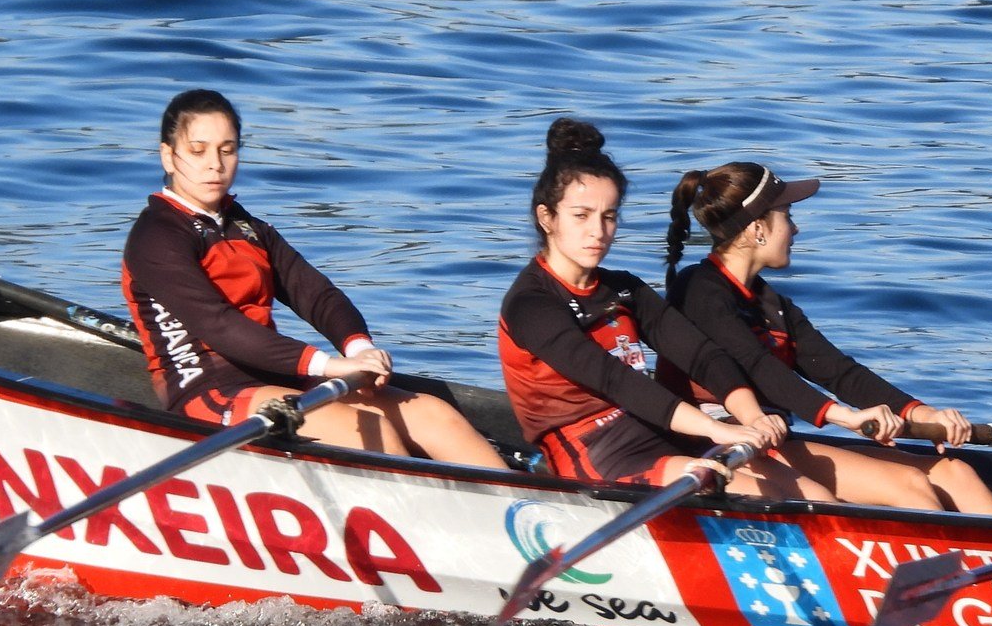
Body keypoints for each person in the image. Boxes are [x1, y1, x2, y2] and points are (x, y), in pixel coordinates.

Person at [122, 89, 506, 468]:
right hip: (208, 388)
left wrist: (357, 349)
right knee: (371, 431)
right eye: (198, 150)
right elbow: (220, 327)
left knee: (433, 415)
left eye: (227, 149)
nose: (215, 165)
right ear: (168, 156)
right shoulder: (157, 237)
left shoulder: (245, 226)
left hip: (272, 377)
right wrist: (328, 366)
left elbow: (314, 293)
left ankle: (521, 511)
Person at [496, 119, 824, 499]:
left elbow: (702, 356)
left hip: (654, 429)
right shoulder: (531, 305)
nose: (598, 232)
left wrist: (751, 417)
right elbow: (615, 381)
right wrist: (716, 429)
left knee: (814, 497)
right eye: (581, 216)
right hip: (594, 453)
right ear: (546, 218)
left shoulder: (624, 288)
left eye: (609, 216)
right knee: (772, 498)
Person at [662, 160, 992, 515]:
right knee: (912, 488)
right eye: (787, 215)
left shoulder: (771, 304)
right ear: (757, 229)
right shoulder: (698, 291)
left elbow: (840, 372)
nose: (795, 229)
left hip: (773, 442)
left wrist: (923, 413)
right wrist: (844, 418)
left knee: (955, 472)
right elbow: (758, 365)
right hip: (714, 446)